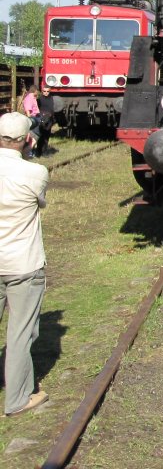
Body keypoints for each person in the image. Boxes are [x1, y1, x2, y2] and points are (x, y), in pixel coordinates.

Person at [0, 112, 50, 417]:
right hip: (22, 262)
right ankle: (17, 399)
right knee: (20, 332)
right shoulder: (36, 173)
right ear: (27, 140)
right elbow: (40, 201)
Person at [19, 86, 40, 159]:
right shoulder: (29, 98)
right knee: (34, 136)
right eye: (37, 91)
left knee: (34, 136)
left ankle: (32, 152)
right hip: (33, 118)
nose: (38, 92)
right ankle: (28, 152)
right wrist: (30, 120)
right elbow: (28, 110)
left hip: (35, 117)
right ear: (35, 90)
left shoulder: (33, 97)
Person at [35, 86, 56, 156]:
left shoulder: (52, 99)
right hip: (42, 118)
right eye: (44, 91)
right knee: (41, 135)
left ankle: (44, 151)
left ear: (50, 91)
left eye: (47, 91)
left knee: (47, 135)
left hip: (49, 119)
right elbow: (36, 109)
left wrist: (53, 118)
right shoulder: (39, 99)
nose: (46, 93)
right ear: (42, 91)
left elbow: (53, 109)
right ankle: (39, 151)